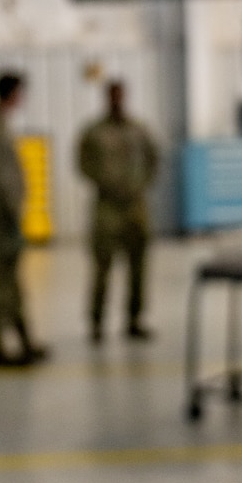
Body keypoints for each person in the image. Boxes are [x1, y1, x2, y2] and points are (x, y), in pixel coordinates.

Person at [0, 70, 48, 366]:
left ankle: (24, 341)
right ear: (12, 93)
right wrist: (13, 213)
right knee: (0, 283)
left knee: (11, 282)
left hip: (3, 215)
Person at [77, 80, 160, 342]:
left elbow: (154, 158)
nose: (117, 100)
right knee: (102, 267)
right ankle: (97, 321)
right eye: (112, 96)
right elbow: (83, 163)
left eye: (120, 95)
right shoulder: (93, 132)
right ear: (106, 98)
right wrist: (104, 182)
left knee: (138, 267)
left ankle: (134, 319)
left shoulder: (138, 130)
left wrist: (141, 184)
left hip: (135, 207)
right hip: (107, 207)